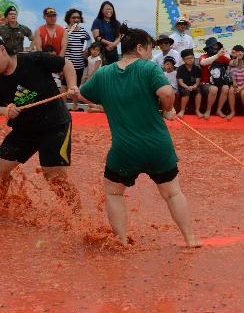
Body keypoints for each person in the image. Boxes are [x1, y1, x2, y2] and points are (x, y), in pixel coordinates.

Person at [78, 24, 201, 248]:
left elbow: (83, 94)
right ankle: (191, 240)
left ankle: (122, 241)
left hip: (125, 150)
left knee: (114, 193)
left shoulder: (105, 72)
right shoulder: (148, 68)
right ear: (139, 48)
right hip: (157, 146)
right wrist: (167, 110)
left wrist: (106, 104)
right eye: (149, 48)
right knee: (172, 194)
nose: (150, 53)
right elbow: (166, 93)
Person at [0, 34, 81, 213]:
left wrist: (72, 85)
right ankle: (2, 207)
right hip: (25, 129)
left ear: (2, 49)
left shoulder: (34, 59)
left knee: (53, 175)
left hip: (54, 124)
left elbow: (65, 64)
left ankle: (78, 216)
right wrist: (4, 111)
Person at [62, 8, 91, 112]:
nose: (76, 19)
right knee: (65, 86)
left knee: (76, 87)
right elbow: (62, 46)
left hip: (79, 64)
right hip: (67, 64)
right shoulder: (64, 30)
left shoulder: (83, 31)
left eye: (78, 17)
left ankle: (75, 106)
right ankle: (63, 107)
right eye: (73, 17)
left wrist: (86, 51)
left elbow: (89, 41)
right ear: (69, 19)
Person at [199, 37, 231, 119]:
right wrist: (217, 55)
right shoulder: (203, 56)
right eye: (213, 46)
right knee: (214, 89)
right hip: (206, 84)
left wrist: (230, 54)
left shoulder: (222, 57)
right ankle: (208, 110)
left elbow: (232, 63)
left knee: (226, 87)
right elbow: (203, 63)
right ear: (208, 48)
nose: (215, 48)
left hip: (220, 83)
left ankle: (219, 110)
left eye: (216, 46)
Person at [227, 45, 244, 121]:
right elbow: (233, 78)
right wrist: (235, 87)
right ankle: (232, 112)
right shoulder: (232, 64)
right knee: (231, 90)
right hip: (237, 87)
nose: (240, 53)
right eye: (237, 52)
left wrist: (241, 88)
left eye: (241, 51)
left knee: (243, 92)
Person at [175, 48, 202, 119]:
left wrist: (195, 86)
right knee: (186, 93)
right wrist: (187, 87)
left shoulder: (196, 68)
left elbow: (198, 81)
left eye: (192, 58)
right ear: (183, 60)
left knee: (198, 91)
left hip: (194, 86)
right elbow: (180, 82)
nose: (190, 60)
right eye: (188, 58)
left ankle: (197, 110)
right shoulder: (180, 69)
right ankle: (182, 110)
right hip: (183, 86)